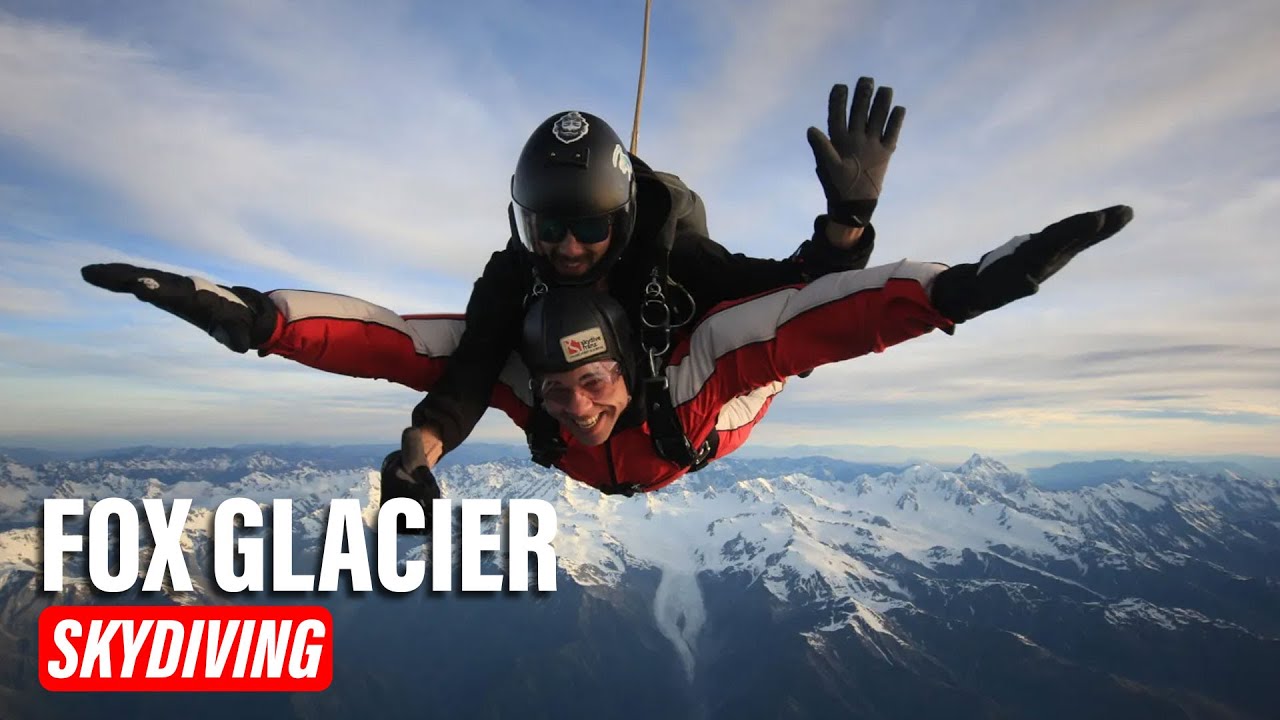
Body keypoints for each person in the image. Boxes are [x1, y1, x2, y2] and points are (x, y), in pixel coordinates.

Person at [403, 77, 905, 476]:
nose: (569, 248)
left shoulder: (678, 260)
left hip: (686, 416)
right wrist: (427, 443)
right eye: (550, 228)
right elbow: (475, 364)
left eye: (591, 227)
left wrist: (848, 222)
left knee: (773, 353)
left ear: (620, 221)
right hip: (584, 423)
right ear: (527, 223)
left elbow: (798, 300)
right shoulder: (514, 275)